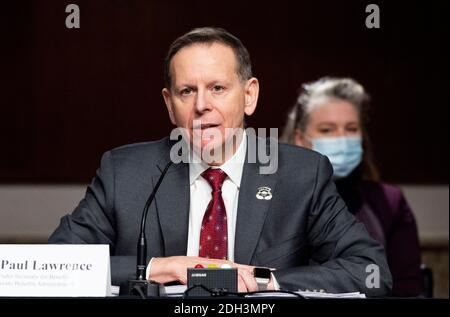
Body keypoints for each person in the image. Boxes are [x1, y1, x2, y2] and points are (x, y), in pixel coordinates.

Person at [49, 28, 392, 296]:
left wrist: (261, 281)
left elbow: (370, 271)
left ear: (249, 96)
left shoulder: (302, 175)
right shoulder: (125, 172)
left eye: (217, 88)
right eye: (187, 91)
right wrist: (160, 268)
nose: (201, 105)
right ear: (170, 105)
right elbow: (57, 266)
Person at [280, 77, 423, 296]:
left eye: (351, 128)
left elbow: (406, 287)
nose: (342, 138)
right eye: (327, 130)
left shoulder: (389, 201)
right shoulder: (275, 199)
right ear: (301, 139)